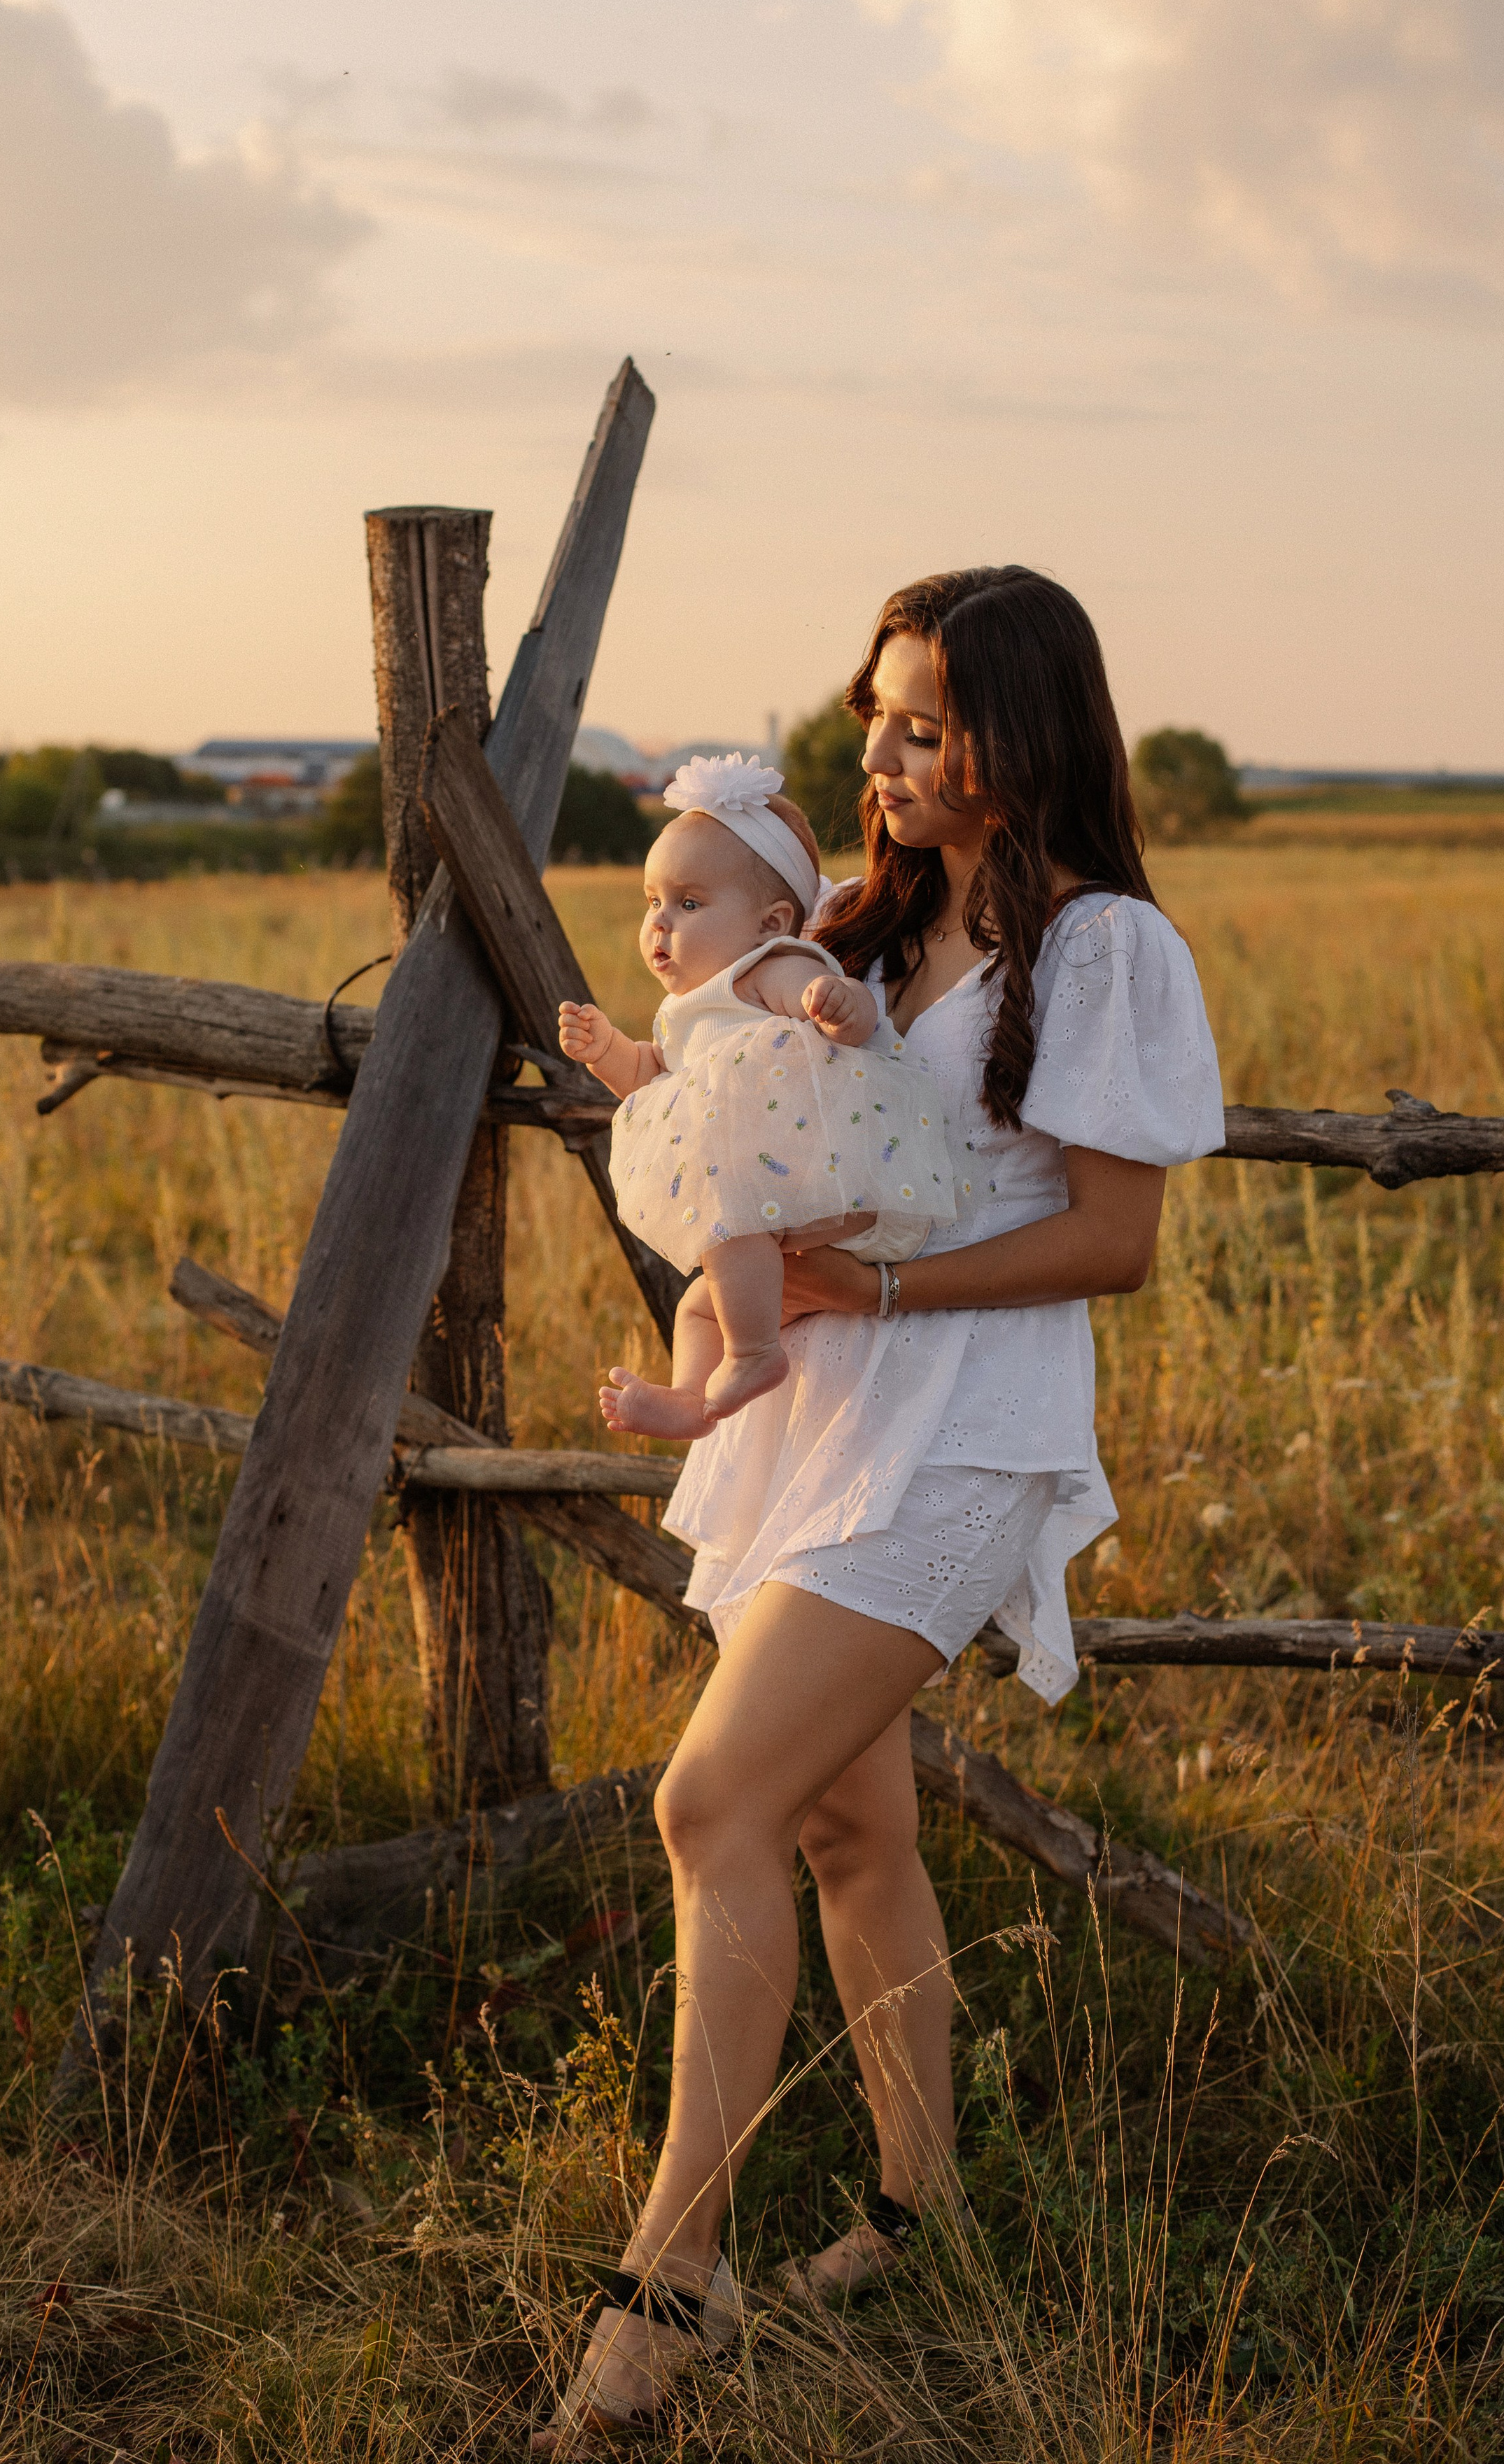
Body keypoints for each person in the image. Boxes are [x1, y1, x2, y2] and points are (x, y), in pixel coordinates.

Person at [533, 567, 1226, 2457]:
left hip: (963, 1429)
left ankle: (671, 2277)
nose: (890, 758)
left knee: (712, 1803)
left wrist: (889, 1285)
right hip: (820, 1418)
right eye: (880, 722)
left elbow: (1114, 1238)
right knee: (844, 1824)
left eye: (929, 727)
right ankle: (916, 2216)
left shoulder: (1100, 949)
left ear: (1023, 736)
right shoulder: (861, 925)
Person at [558, 753, 955, 1440]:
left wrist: (838, 1003)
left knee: (729, 1228)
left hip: (845, 1185)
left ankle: (753, 1355)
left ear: (771, 922)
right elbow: (652, 1084)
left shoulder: (768, 970)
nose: (660, 923)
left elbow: (853, 1017)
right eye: (652, 902)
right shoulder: (686, 1014)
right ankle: (692, 1401)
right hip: (780, 1209)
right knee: (699, 1303)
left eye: (688, 904)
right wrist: (608, 1053)